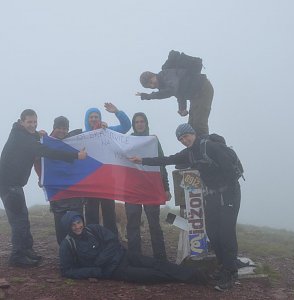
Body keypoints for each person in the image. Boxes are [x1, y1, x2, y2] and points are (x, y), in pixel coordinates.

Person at [129, 123, 242, 291]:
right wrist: (142, 160)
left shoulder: (210, 147)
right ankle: (223, 266)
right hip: (211, 195)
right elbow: (167, 160)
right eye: (181, 139)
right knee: (213, 232)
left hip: (228, 194)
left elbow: (231, 174)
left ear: (193, 133)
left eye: (186, 136)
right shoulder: (188, 153)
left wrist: (224, 191)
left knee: (226, 233)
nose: (184, 140)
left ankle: (230, 272)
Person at [0, 109, 87, 268]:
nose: (32, 125)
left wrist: (36, 134)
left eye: (34, 122)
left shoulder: (22, 133)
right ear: (22, 122)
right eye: (29, 122)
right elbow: (47, 152)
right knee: (19, 221)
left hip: (14, 185)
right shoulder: (21, 138)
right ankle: (17, 256)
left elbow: (31, 137)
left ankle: (26, 250)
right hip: (8, 185)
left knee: (23, 219)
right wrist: (75, 156)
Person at [59, 210, 208, 285]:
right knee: (150, 275)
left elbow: (113, 241)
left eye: (79, 222)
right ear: (68, 227)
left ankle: (195, 275)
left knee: (156, 263)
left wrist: (99, 260)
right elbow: (67, 271)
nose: (78, 226)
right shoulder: (67, 245)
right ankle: (187, 278)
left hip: (124, 255)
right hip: (114, 271)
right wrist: (93, 271)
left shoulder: (93, 229)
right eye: (73, 225)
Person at [125, 112, 171, 260]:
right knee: (132, 224)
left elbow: (161, 163)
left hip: (151, 187)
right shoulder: (127, 141)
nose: (139, 124)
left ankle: (160, 257)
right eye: (137, 122)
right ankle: (134, 257)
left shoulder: (153, 140)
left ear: (146, 123)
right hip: (132, 188)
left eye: (142, 121)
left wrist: (166, 188)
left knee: (154, 224)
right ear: (133, 124)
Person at [136, 54, 213, 137]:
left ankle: (205, 146)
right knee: (191, 126)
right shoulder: (163, 85)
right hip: (194, 96)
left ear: (153, 75)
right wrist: (182, 108)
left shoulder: (165, 75)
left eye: (151, 82)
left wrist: (148, 96)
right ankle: (196, 147)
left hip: (203, 88)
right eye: (149, 86)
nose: (152, 85)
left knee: (199, 123)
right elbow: (179, 93)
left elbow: (172, 90)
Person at [34, 116, 84, 245]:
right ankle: (64, 249)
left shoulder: (72, 141)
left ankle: (80, 249)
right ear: (54, 128)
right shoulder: (44, 142)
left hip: (74, 189)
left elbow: (90, 135)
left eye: (65, 128)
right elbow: (38, 162)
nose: (62, 131)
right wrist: (41, 177)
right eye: (59, 128)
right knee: (60, 221)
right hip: (56, 189)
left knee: (77, 220)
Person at [83, 103, 131, 235]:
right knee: (92, 214)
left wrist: (117, 112)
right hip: (90, 182)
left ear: (100, 118)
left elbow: (126, 126)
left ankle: (111, 242)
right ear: (87, 119)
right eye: (91, 117)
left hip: (107, 181)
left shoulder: (107, 131)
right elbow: (64, 143)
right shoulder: (81, 136)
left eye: (96, 116)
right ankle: (92, 240)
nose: (94, 119)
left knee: (109, 213)